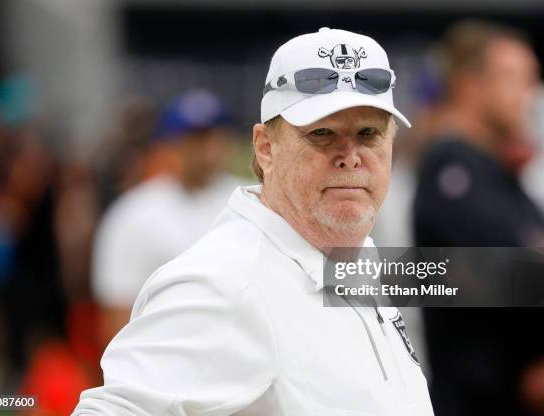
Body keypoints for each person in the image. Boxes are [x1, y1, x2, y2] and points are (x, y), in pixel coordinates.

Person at [73, 28, 434, 415]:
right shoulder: (225, 284)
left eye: (369, 133)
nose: (350, 155)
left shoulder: (353, 255)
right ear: (266, 149)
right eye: (322, 134)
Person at [412, 20, 544, 416]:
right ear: (470, 85)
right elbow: (509, 272)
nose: (530, 95)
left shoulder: (504, 175)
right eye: (516, 79)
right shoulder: (450, 169)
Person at [91, 89, 244, 347]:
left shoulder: (252, 198)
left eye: (216, 134)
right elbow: (117, 307)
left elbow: (332, 284)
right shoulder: (134, 212)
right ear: (171, 144)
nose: (209, 147)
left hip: (242, 348)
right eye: (196, 138)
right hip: (168, 356)